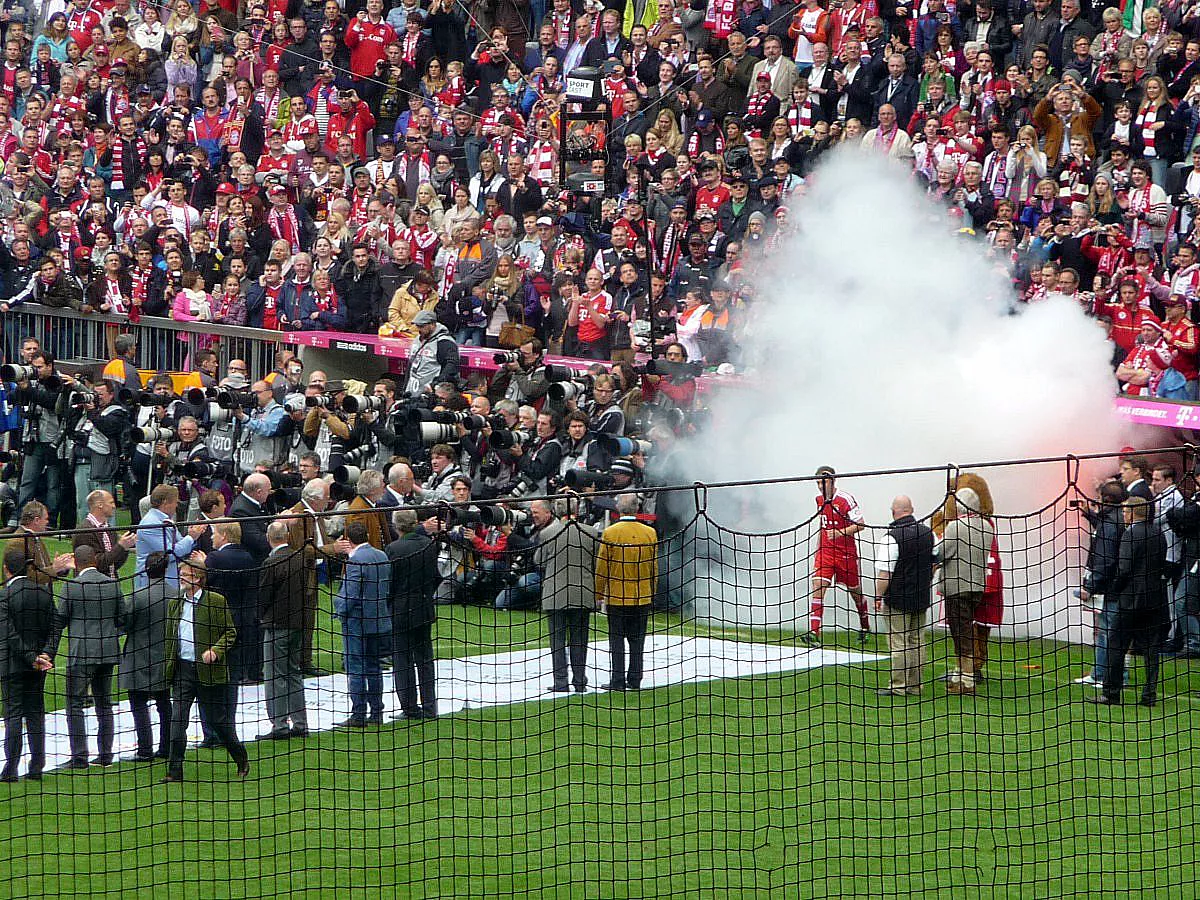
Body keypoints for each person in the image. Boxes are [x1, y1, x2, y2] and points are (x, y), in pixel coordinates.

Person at [161, 553, 250, 783]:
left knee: (217, 721)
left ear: (198, 578)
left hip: (208, 671)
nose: (181, 578)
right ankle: (174, 771)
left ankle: (240, 757)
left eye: (186, 575)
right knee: (178, 720)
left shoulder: (215, 601)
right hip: (183, 671)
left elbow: (230, 633)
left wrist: (215, 651)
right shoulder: (175, 603)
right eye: (180, 574)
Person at [36, 544, 123, 769]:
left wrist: (49, 651)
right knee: (104, 704)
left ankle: (80, 756)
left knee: (74, 704)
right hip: (108, 652)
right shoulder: (112, 585)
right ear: (95, 560)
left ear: (77, 562)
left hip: (81, 653)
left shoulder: (71, 588)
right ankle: (105, 755)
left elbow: (59, 622)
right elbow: (122, 619)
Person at [1088, 497, 1170, 707]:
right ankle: (1149, 695)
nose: (1123, 515)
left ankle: (1110, 693)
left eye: (1125, 512)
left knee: (1116, 645)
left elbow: (1124, 569)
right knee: (1151, 649)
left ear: (1132, 513)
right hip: (1154, 599)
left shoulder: (1131, 534)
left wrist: (1114, 589)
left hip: (1130, 600)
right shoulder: (1158, 533)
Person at [0, 545, 55, 781]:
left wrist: (31, 657)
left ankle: (11, 768)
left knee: (13, 714)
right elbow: (55, 626)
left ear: (6, 569)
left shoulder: (4, 596)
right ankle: (37, 766)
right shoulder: (43, 592)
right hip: (38, 667)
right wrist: (45, 655)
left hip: (12, 665)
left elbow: (9, 634)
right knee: (35, 713)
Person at [935, 487, 995, 696]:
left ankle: (966, 680)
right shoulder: (987, 527)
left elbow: (942, 553)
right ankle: (959, 675)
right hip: (977, 586)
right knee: (965, 629)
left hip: (956, 587)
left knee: (961, 634)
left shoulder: (955, 527)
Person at [874, 495, 935, 697]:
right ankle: (915, 686)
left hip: (898, 599)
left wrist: (877, 596)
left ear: (894, 511)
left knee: (899, 642)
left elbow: (885, 573)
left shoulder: (891, 537)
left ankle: (898, 686)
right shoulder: (929, 533)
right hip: (921, 597)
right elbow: (936, 562)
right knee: (917, 640)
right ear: (912, 509)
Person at [596, 493, 657, 692]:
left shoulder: (611, 533)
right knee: (637, 640)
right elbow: (653, 567)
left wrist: (598, 594)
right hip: (642, 595)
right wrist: (651, 591)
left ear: (619, 509)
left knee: (617, 640)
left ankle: (617, 680)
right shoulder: (649, 533)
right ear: (637, 509)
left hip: (617, 595)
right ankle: (635, 679)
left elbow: (602, 566)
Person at [538, 499, 600, 693]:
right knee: (580, 639)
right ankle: (580, 680)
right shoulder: (590, 532)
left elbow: (539, 560)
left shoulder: (547, 533)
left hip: (555, 593)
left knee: (557, 640)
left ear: (556, 511)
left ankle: (561, 681)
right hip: (582, 592)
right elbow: (595, 561)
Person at [805, 466, 870, 646]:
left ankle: (865, 626)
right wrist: (818, 550)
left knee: (855, 592)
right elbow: (823, 527)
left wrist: (840, 532)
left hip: (846, 554)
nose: (820, 486)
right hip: (826, 553)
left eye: (823, 482)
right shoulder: (819, 500)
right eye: (818, 482)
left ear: (832, 481)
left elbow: (861, 525)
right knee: (818, 585)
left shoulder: (845, 499)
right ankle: (813, 632)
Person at [336, 521, 392, 726]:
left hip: (357, 623)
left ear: (348, 540)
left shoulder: (355, 560)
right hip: (378, 620)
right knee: (374, 667)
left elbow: (350, 595)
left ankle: (358, 713)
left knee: (356, 668)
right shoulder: (382, 555)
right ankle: (376, 712)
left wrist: (340, 611)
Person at [385, 508, 440, 720]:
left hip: (400, 609)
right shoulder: (428, 545)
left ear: (396, 526)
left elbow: (389, 582)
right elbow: (436, 576)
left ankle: (409, 708)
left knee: (402, 659)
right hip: (424, 606)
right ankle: (429, 707)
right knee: (425, 659)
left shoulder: (393, 549)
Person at [258, 520, 309, 739]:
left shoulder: (272, 562)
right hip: (297, 624)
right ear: (286, 536)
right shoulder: (299, 558)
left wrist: (261, 617)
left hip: (277, 625)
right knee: (293, 673)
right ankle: (300, 723)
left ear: (269, 538)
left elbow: (263, 596)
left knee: (275, 676)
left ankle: (279, 725)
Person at [1074, 481, 1127, 688]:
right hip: (1112, 586)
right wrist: (1089, 515)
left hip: (1109, 588)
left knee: (1110, 632)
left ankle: (1114, 677)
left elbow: (1105, 560)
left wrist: (1090, 586)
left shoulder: (1111, 524)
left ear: (1105, 500)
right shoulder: (1115, 519)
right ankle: (1098, 673)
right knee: (1105, 631)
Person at [121, 550, 173, 761]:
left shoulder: (138, 596)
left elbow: (125, 623)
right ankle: (166, 747)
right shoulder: (174, 594)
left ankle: (145, 750)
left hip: (139, 656)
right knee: (164, 703)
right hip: (166, 657)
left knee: (139, 704)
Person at [136, 484, 209, 588]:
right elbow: (169, 554)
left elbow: (180, 545)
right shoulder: (151, 524)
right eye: (175, 501)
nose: (177, 505)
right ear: (166, 502)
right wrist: (191, 537)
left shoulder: (166, 520)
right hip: (153, 583)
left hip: (168, 580)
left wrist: (194, 532)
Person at [72, 489, 136, 578]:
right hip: (93, 585)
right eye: (111, 502)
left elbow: (114, 564)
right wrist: (120, 546)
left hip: (110, 583)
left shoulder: (109, 529)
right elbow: (97, 564)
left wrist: (125, 548)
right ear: (100, 505)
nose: (114, 506)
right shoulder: (84, 531)